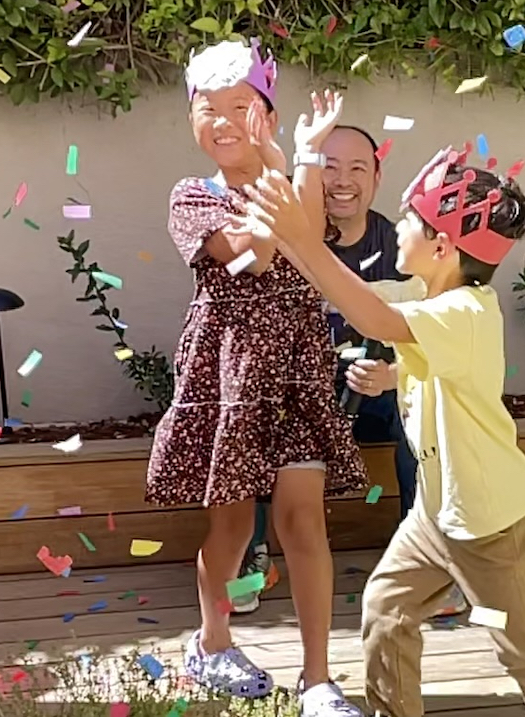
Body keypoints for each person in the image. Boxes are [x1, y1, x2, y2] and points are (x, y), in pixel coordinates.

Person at [232, 137, 525, 717]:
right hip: (436, 511)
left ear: (443, 247)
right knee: (385, 611)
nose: (396, 228)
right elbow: (343, 296)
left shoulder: (464, 309)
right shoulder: (431, 292)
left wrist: (299, 235)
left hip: (490, 525)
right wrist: (290, 205)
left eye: (410, 220)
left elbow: (371, 315)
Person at [145, 38, 367, 717]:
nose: (222, 121)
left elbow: (306, 232)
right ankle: (212, 643)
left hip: (298, 370)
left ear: (266, 113)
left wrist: (296, 156)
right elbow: (256, 254)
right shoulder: (192, 198)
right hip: (229, 371)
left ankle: (319, 681)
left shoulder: (291, 169)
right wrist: (278, 167)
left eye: (240, 106)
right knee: (234, 526)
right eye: (207, 110)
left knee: (304, 523)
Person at [234, 125, 467, 619]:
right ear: (308, 174)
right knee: (251, 416)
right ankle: (250, 557)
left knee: (427, 411)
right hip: (298, 402)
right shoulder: (286, 237)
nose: (341, 180)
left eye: (357, 168)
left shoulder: (403, 247)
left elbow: (434, 336)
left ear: (377, 177)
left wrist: (396, 375)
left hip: (376, 396)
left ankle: (425, 564)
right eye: (328, 167)